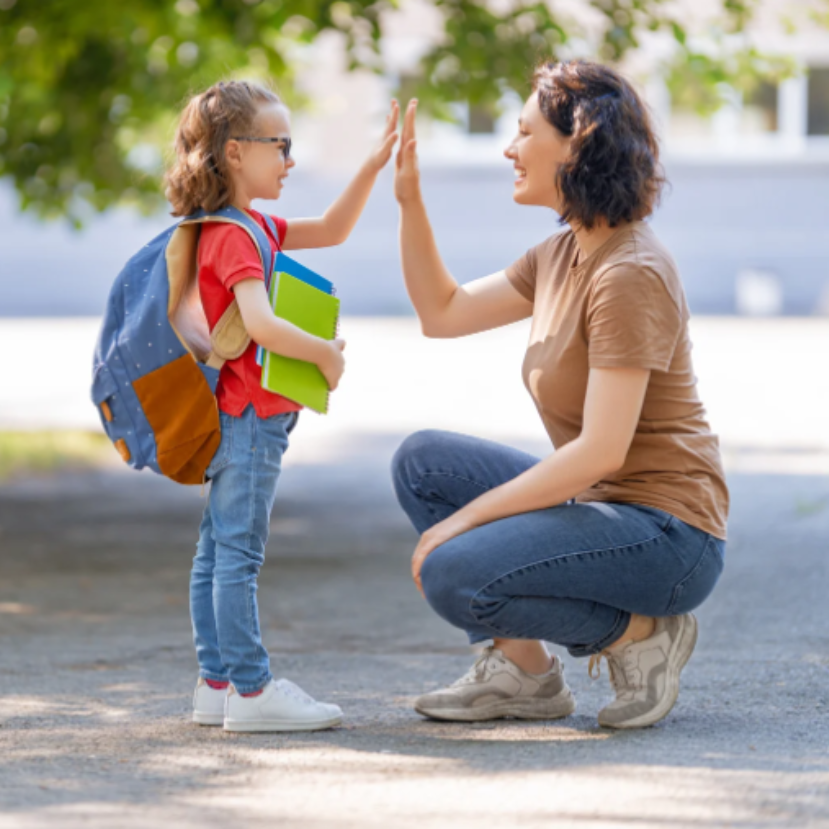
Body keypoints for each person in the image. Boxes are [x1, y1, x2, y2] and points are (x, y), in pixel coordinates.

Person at [391, 60, 729, 730]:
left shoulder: (629, 272)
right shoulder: (559, 253)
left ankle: (639, 634)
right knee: (423, 461)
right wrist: (409, 201)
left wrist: (461, 522)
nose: (508, 148)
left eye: (523, 132)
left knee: (454, 571)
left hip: (668, 534)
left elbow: (598, 450)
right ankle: (525, 673)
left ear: (576, 143)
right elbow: (443, 311)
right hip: (607, 509)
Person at [165, 80, 398, 732]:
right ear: (236, 152)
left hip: (231, 416)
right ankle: (251, 689)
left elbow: (331, 228)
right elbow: (261, 324)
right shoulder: (236, 236)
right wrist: (325, 354)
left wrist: (372, 164)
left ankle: (217, 684)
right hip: (248, 418)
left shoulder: (241, 226)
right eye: (281, 145)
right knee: (236, 555)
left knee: (215, 551)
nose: (289, 160)